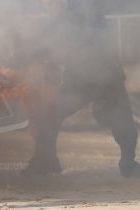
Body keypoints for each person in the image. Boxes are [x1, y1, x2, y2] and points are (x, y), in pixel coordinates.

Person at [23, 0, 140, 177]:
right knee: (50, 114)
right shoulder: (73, 10)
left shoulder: (79, 8)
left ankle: (45, 161)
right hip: (92, 76)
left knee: (121, 121)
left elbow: (49, 39)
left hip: (98, 77)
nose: (47, 4)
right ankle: (127, 163)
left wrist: (25, 58)